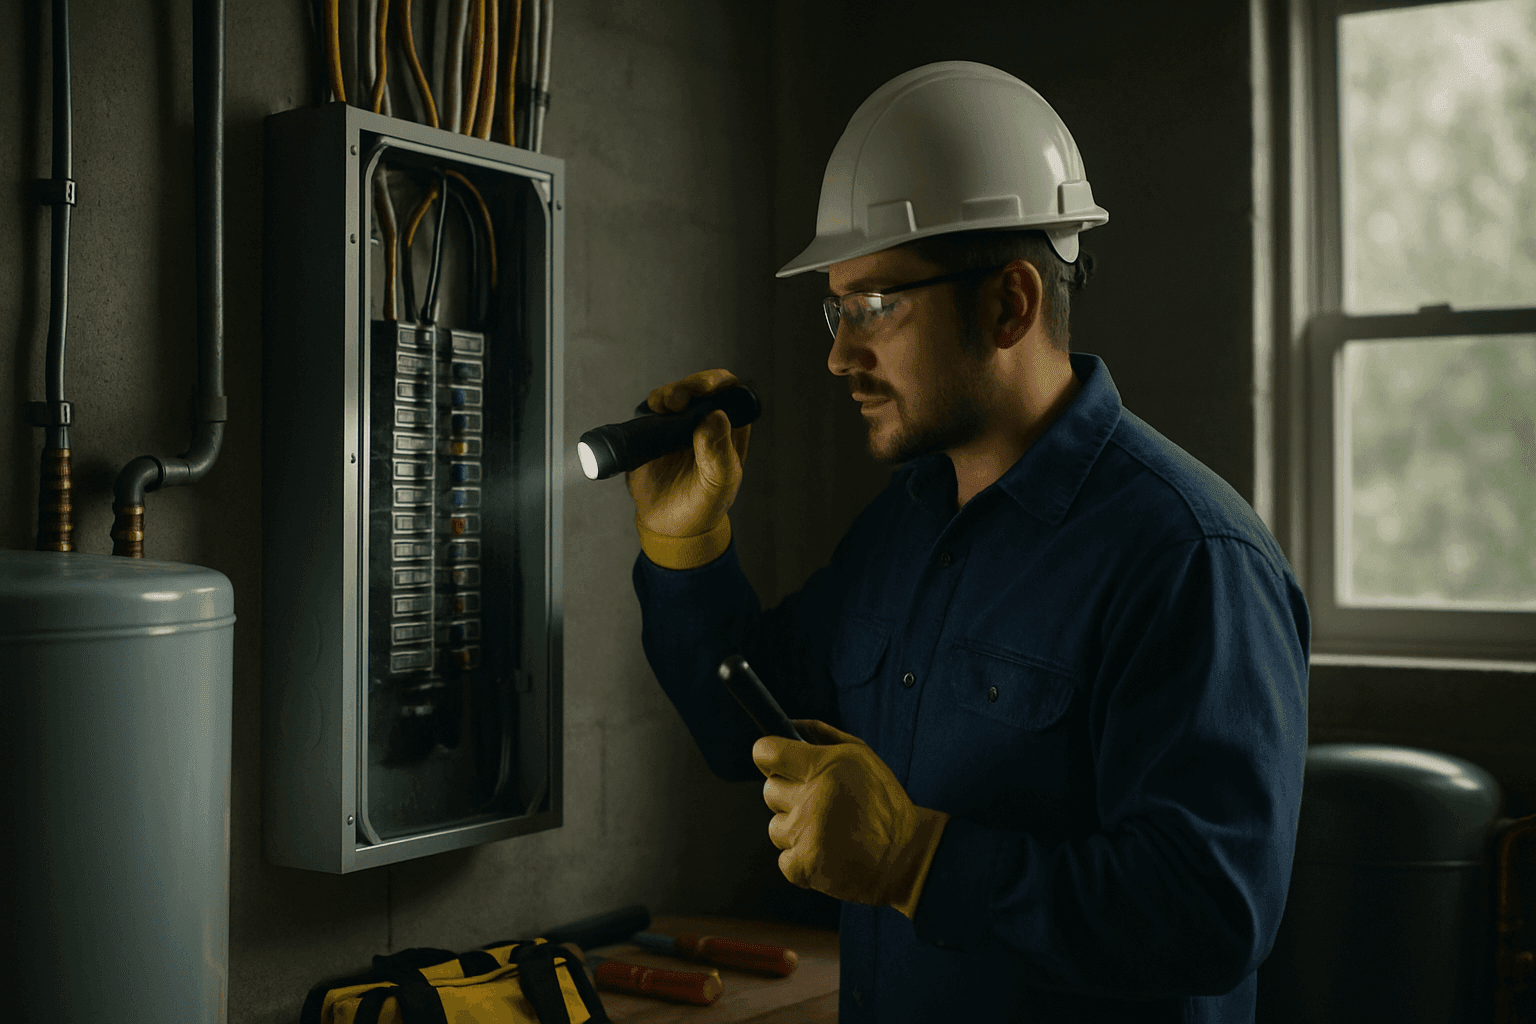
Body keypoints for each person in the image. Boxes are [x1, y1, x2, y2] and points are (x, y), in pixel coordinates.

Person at [625, 60, 1309, 1024]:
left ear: (1009, 304)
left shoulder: (1190, 557)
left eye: (876, 305)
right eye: (836, 308)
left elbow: (1211, 914)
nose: (839, 354)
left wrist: (919, 861)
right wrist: (686, 544)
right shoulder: (907, 524)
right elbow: (753, 731)